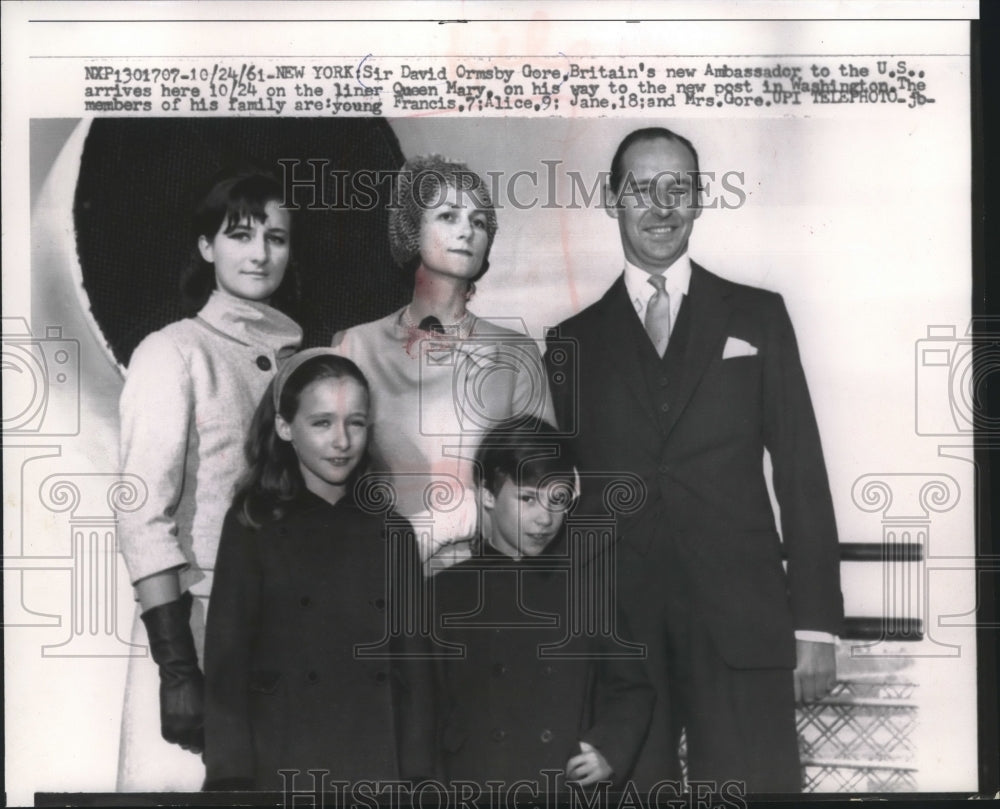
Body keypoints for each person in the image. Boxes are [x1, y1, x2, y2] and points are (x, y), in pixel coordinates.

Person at [545, 127, 844, 792]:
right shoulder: (571, 343)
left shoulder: (760, 317)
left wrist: (817, 620)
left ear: (700, 198)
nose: (661, 205)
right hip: (622, 642)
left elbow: (801, 469)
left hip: (743, 623)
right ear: (611, 199)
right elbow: (559, 496)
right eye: (641, 188)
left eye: (677, 187)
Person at [117, 167, 303, 791]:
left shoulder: (307, 360)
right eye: (241, 234)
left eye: (276, 237)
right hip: (195, 631)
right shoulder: (172, 351)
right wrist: (177, 668)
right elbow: (141, 511)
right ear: (206, 246)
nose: (260, 252)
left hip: (287, 634)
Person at [203, 350, 434, 790]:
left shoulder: (393, 532)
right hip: (282, 761)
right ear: (285, 427)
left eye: (356, 422)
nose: (342, 441)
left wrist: (419, 775)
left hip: (375, 768)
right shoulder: (252, 524)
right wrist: (230, 778)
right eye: (322, 422)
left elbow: (416, 670)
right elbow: (227, 664)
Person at [332, 154, 554, 570]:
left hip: (488, 580)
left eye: (479, 222)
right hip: (381, 576)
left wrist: (455, 523)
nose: (466, 231)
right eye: (448, 216)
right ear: (411, 229)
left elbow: (541, 481)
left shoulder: (517, 352)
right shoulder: (355, 347)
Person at [432, 418, 654, 793]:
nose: (545, 518)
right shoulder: (443, 595)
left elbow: (632, 688)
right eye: (528, 498)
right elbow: (425, 713)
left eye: (558, 499)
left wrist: (609, 750)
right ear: (487, 493)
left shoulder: (585, 591)